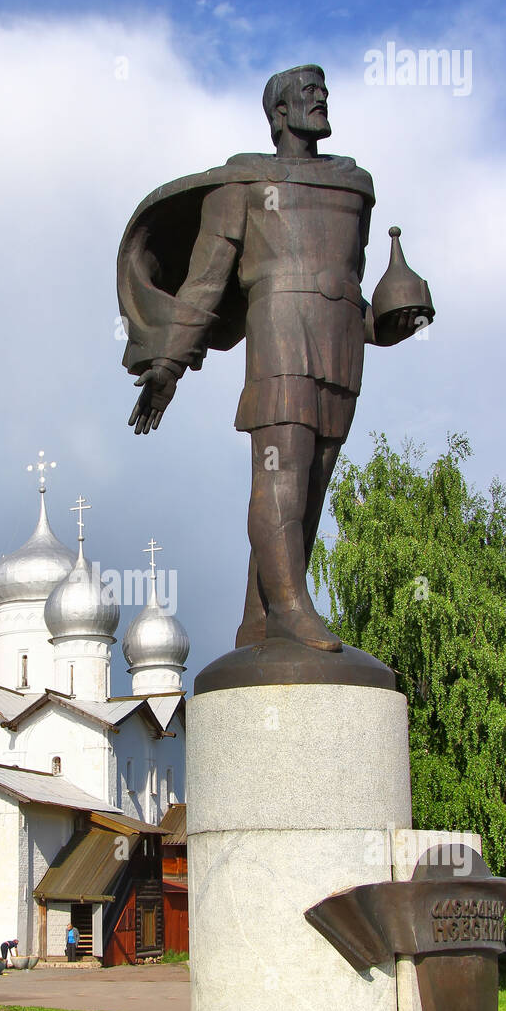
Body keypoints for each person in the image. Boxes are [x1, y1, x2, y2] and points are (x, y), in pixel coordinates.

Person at [119, 65, 429, 653]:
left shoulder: (353, 187)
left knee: (312, 484)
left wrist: (386, 325)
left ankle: (259, 620)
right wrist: (168, 367)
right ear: (279, 113)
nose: (320, 99)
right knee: (281, 470)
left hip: (340, 347)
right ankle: (290, 608)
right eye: (306, 94)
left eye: (324, 92)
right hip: (280, 338)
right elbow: (205, 284)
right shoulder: (241, 186)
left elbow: (350, 286)